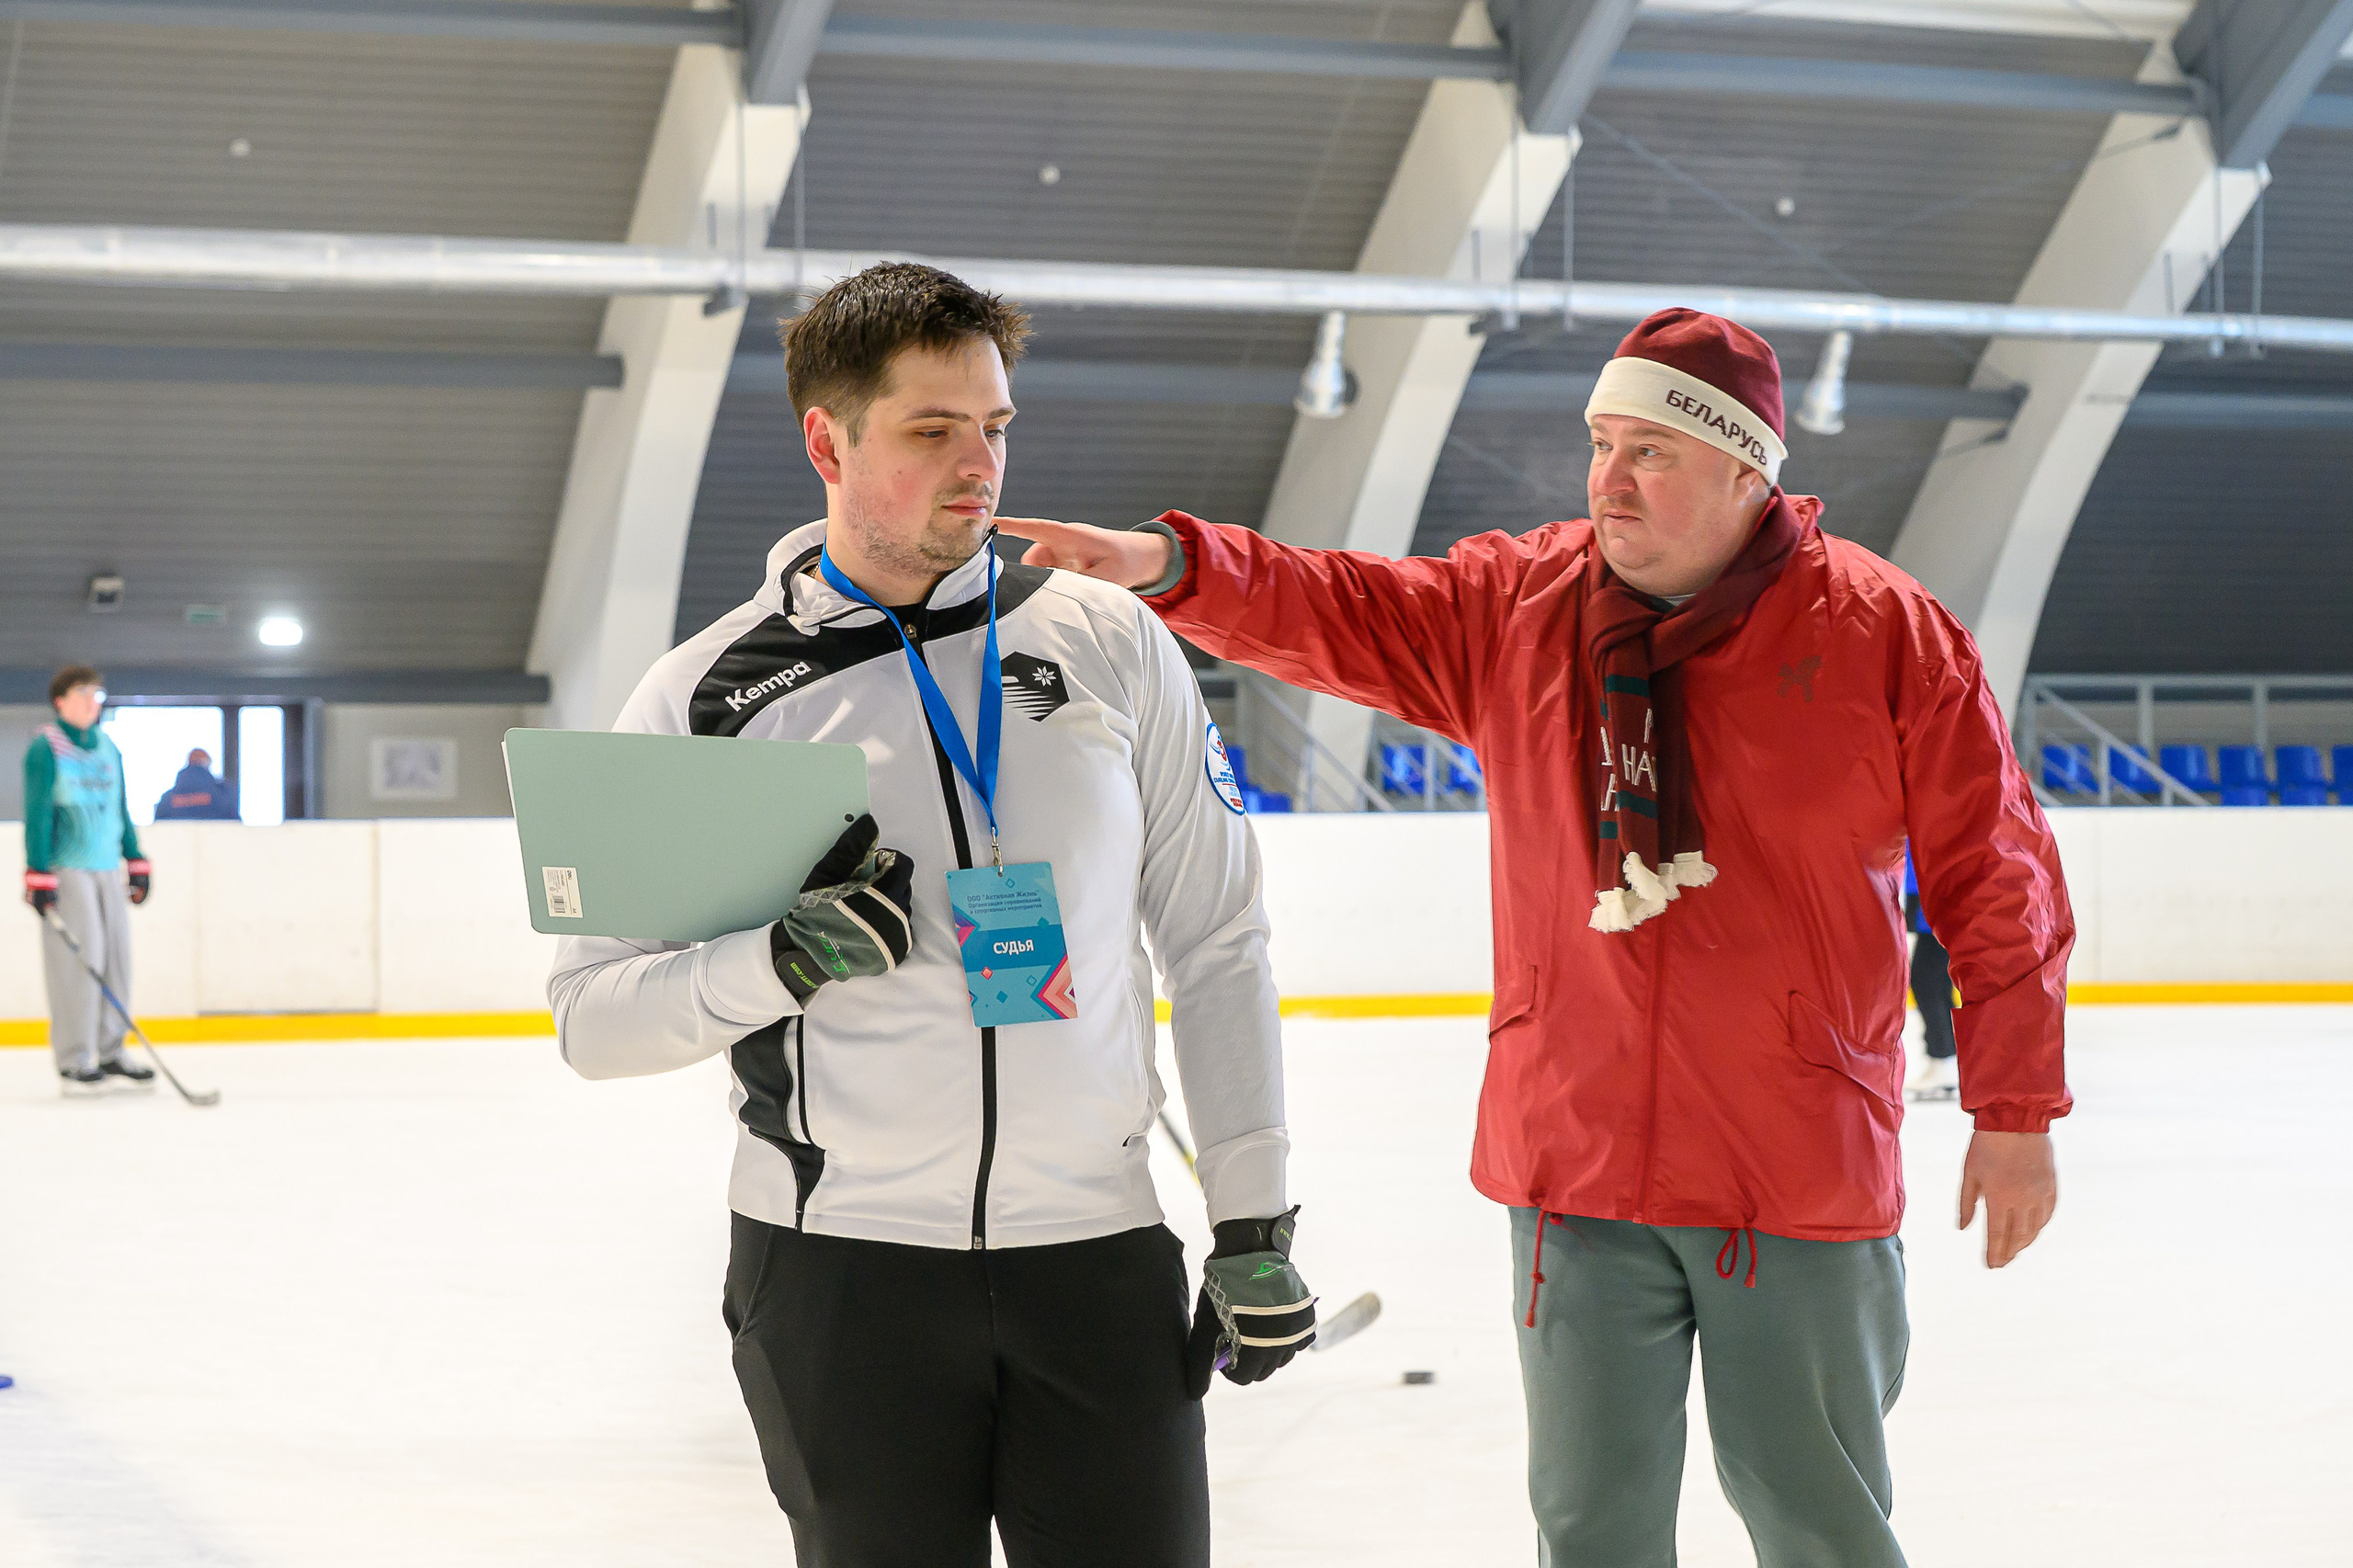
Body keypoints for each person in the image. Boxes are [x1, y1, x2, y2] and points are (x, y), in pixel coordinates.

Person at [1008, 309, 2072, 1566]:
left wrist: (2013, 1110)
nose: (1611, 479)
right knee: (1588, 1523)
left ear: (1747, 471)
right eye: (1602, 443)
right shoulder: (1521, 608)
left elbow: (1998, 878)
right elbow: (1344, 603)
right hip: (1578, 1161)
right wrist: (1174, 567)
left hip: (1793, 1167)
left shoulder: (1884, 633)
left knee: (1815, 1511)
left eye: (1654, 452)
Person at [548, 263, 1313, 1568]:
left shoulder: (1113, 642)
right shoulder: (704, 697)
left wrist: (1253, 1217)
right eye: (932, 430)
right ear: (825, 441)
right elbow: (591, 1019)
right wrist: (776, 961)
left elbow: (1221, 936)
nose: (980, 466)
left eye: (996, 427)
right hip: (840, 1275)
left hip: (1098, 1256)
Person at [21, 665, 155, 1095]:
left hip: (105, 867)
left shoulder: (108, 748)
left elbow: (121, 807)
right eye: (82, 693)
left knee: (117, 957)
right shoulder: (47, 747)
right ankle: (75, 1058)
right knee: (80, 961)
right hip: (68, 866)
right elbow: (39, 811)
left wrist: (134, 857)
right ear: (60, 700)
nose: (91, 701)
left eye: (97, 694)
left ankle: (111, 1050)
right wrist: (38, 871)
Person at [1904, 852, 1959, 1101]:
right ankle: (1945, 1058)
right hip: (1936, 894)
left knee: (1927, 979)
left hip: (1935, 895)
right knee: (1933, 980)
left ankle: (1943, 1058)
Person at [153, 748, 240, 820]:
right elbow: (236, 826)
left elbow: (157, 829)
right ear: (206, 763)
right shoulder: (222, 795)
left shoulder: (167, 800)